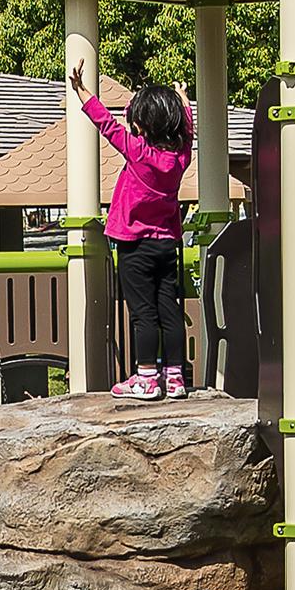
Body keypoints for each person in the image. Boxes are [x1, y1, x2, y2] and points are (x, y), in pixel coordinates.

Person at [70, 65, 194, 401]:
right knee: (169, 309)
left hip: (134, 246)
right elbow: (188, 129)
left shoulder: (138, 153)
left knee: (143, 314)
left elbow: (106, 124)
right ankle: (174, 377)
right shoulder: (180, 156)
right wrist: (182, 100)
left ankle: (146, 378)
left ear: (142, 125)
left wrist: (81, 90)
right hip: (167, 244)